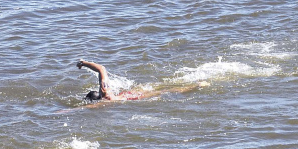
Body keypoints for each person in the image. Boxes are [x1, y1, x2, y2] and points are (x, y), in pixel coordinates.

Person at [76, 59, 207, 103]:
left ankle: (197, 86)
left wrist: (64, 111)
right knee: (162, 87)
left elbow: (82, 109)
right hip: (130, 93)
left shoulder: (105, 99)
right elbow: (101, 69)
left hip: (136, 97)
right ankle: (196, 84)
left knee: (165, 91)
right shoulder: (107, 91)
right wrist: (83, 63)